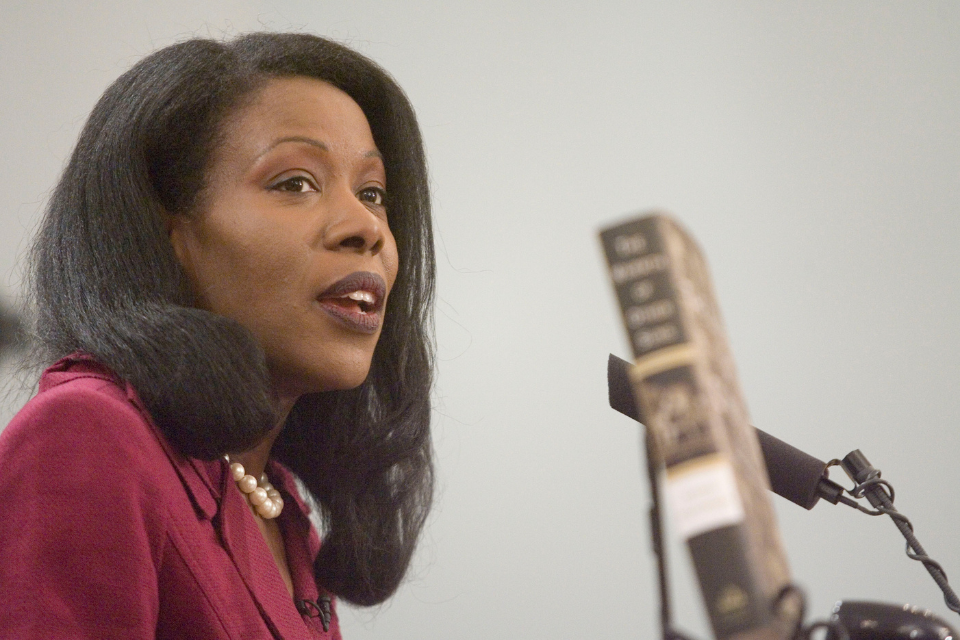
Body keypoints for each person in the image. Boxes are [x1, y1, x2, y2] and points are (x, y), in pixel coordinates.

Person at [0, 32, 435, 639]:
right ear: (165, 229)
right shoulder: (87, 434)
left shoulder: (280, 506)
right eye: (295, 183)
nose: (366, 227)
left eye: (372, 193)